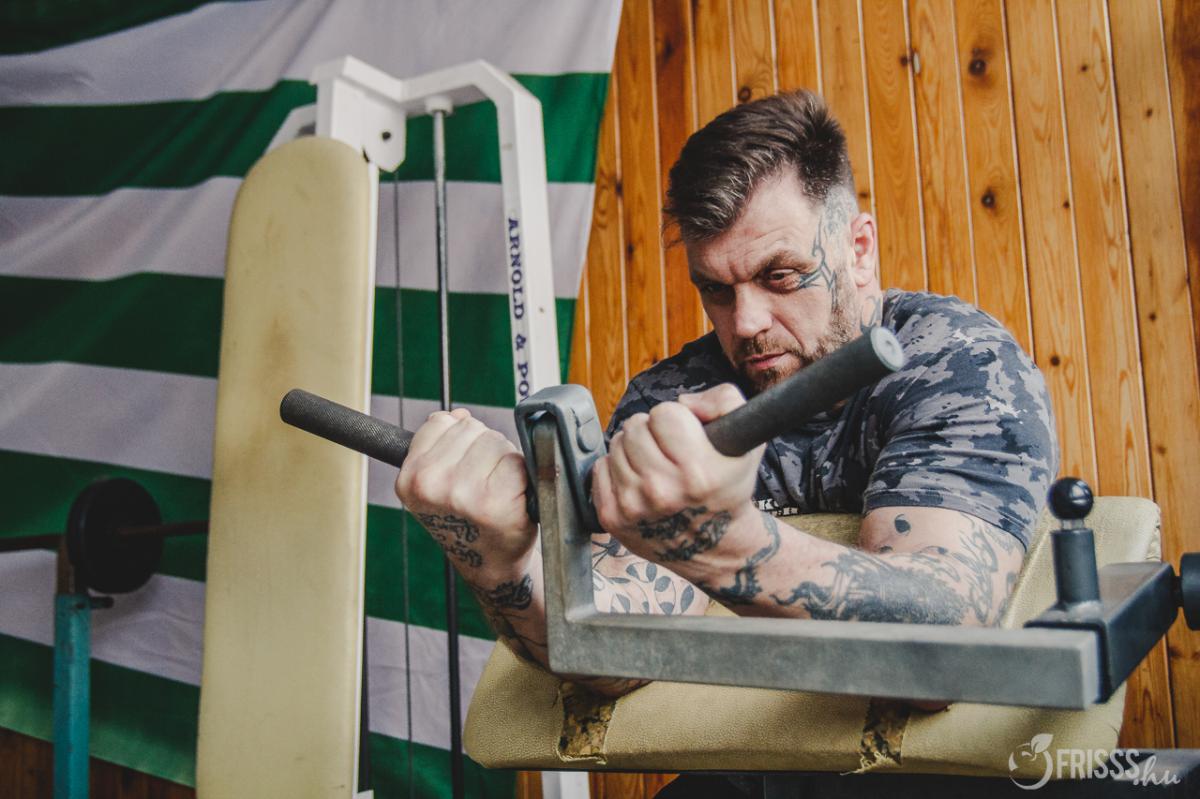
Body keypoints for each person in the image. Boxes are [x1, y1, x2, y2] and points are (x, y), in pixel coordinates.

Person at [394, 89, 1058, 699]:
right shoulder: (674, 398)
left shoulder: (959, 364)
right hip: (748, 769)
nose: (745, 323)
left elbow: (945, 645)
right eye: (715, 289)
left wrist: (724, 545)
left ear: (858, 250)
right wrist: (502, 566)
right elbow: (612, 657)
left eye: (781, 275)